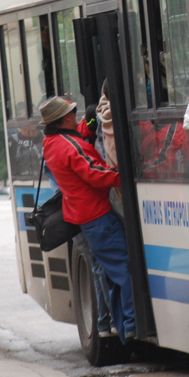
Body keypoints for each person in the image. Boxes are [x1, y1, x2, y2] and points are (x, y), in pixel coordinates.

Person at [40, 95, 136, 344]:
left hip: (85, 217)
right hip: (98, 216)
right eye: (71, 113)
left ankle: (126, 328)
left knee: (112, 273)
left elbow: (79, 139)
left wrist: (92, 119)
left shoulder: (52, 143)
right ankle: (132, 325)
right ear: (63, 121)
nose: (76, 115)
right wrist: (122, 174)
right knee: (125, 270)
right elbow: (94, 173)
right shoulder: (68, 146)